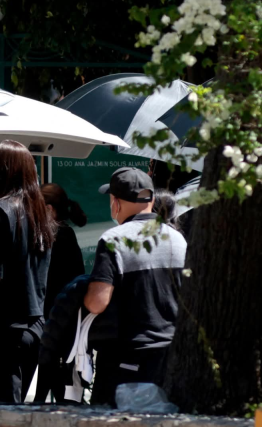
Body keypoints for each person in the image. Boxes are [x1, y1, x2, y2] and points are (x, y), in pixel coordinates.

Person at [0, 140, 57, 404]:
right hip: (34, 327)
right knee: (14, 410)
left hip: (3, 332)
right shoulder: (40, 214)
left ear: (1, 170)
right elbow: (22, 255)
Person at [84, 167, 187, 406]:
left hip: (126, 357)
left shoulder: (114, 239)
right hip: (170, 352)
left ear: (116, 203)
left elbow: (97, 303)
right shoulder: (177, 238)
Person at [34, 183, 87, 403]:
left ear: (48, 209)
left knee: (49, 365)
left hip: (54, 313)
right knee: (51, 368)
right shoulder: (65, 234)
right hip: (63, 314)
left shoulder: (54, 236)